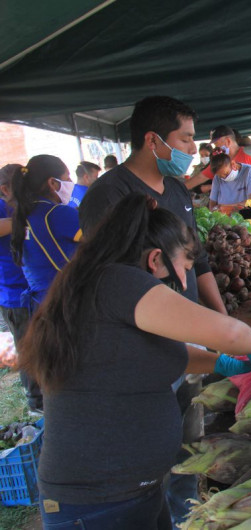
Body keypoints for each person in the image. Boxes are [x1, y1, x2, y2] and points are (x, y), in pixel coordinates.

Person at [19, 194, 251, 530]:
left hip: (130, 492)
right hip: (95, 504)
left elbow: (158, 355)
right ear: (156, 258)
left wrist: (222, 364)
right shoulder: (119, 282)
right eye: (185, 269)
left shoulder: (100, 285)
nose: (186, 283)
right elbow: (231, 333)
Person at [79, 95, 226, 526]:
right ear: (153, 140)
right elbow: (107, 279)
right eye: (186, 139)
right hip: (142, 344)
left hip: (190, 334)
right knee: (150, 443)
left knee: (188, 438)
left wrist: (220, 318)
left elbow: (196, 260)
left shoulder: (178, 188)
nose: (192, 150)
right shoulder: (110, 195)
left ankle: (182, 516)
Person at [9, 155, 81, 412]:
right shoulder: (56, 214)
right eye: (67, 178)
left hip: (43, 304)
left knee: (60, 373)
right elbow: (101, 238)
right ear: (52, 183)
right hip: (67, 303)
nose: (71, 183)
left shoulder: (26, 214)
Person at [0, 164, 30, 380]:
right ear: (5, 189)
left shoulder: (24, 205)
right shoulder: (3, 207)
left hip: (31, 289)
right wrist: (23, 221)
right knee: (26, 346)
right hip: (12, 294)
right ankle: (35, 400)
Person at [184, 125, 251, 191]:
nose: (216, 148)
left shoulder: (250, 154)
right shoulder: (219, 161)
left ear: (228, 141)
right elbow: (200, 177)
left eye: (216, 144)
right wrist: (177, 189)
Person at [207, 149, 251, 215]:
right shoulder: (217, 178)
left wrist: (227, 208)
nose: (224, 178)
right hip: (223, 218)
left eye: (226, 174)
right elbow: (212, 203)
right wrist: (214, 211)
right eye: (221, 176)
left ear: (233, 164)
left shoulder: (250, 172)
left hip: (244, 217)